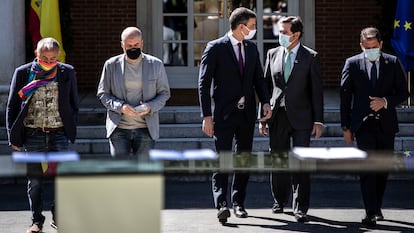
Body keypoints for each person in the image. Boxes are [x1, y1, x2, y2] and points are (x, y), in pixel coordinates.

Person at [198, 7, 272, 224]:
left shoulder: (251, 49)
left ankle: (238, 202)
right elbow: (203, 84)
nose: (255, 30)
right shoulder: (215, 48)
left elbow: (259, 78)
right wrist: (206, 115)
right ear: (241, 27)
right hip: (223, 114)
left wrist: (265, 102)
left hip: (247, 114)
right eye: (253, 26)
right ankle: (221, 204)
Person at [6, 37, 79, 233]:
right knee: (35, 180)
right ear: (36, 54)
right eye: (44, 58)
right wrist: (14, 137)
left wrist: (71, 124)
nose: (48, 62)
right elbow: (13, 106)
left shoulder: (67, 72)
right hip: (33, 133)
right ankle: (36, 221)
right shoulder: (23, 73)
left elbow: (73, 103)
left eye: (53, 58)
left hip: (59, 133)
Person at [340, 27, 409, 228]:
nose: (370, 50)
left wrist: (385, 101)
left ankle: (376, 205)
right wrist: (346, 126)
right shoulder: (352, 64)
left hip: (386, 125)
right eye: (366, 47)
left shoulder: (392, 62)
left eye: (374, 47)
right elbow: (345, 97)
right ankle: (370, 212)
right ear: (361, 45)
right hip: (363, 125)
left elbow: (403, 92)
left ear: (380, 45)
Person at [258, 16, 324, 223]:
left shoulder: (310, 57)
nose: (281, 36)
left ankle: (300, 207)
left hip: (302, 118)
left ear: (296, 34)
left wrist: (318, 121)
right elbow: (265, 88)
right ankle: (279, 200)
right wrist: (262, 117)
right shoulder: (272, 53)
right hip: (277, 116)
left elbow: (316, 92)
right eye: (280, 31)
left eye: (285, 32)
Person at [97, 27, 170, 159]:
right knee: (121, 172)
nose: (133, 48)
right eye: (129, 45)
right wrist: (121, 106)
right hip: (119, 128)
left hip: (146, 129)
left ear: (142, 43)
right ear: (122, 45)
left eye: (136, 45)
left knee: (143, 174)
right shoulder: (111, 65)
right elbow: (103, 94)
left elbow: (164, 94)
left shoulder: (156, 64)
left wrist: (149, 107)